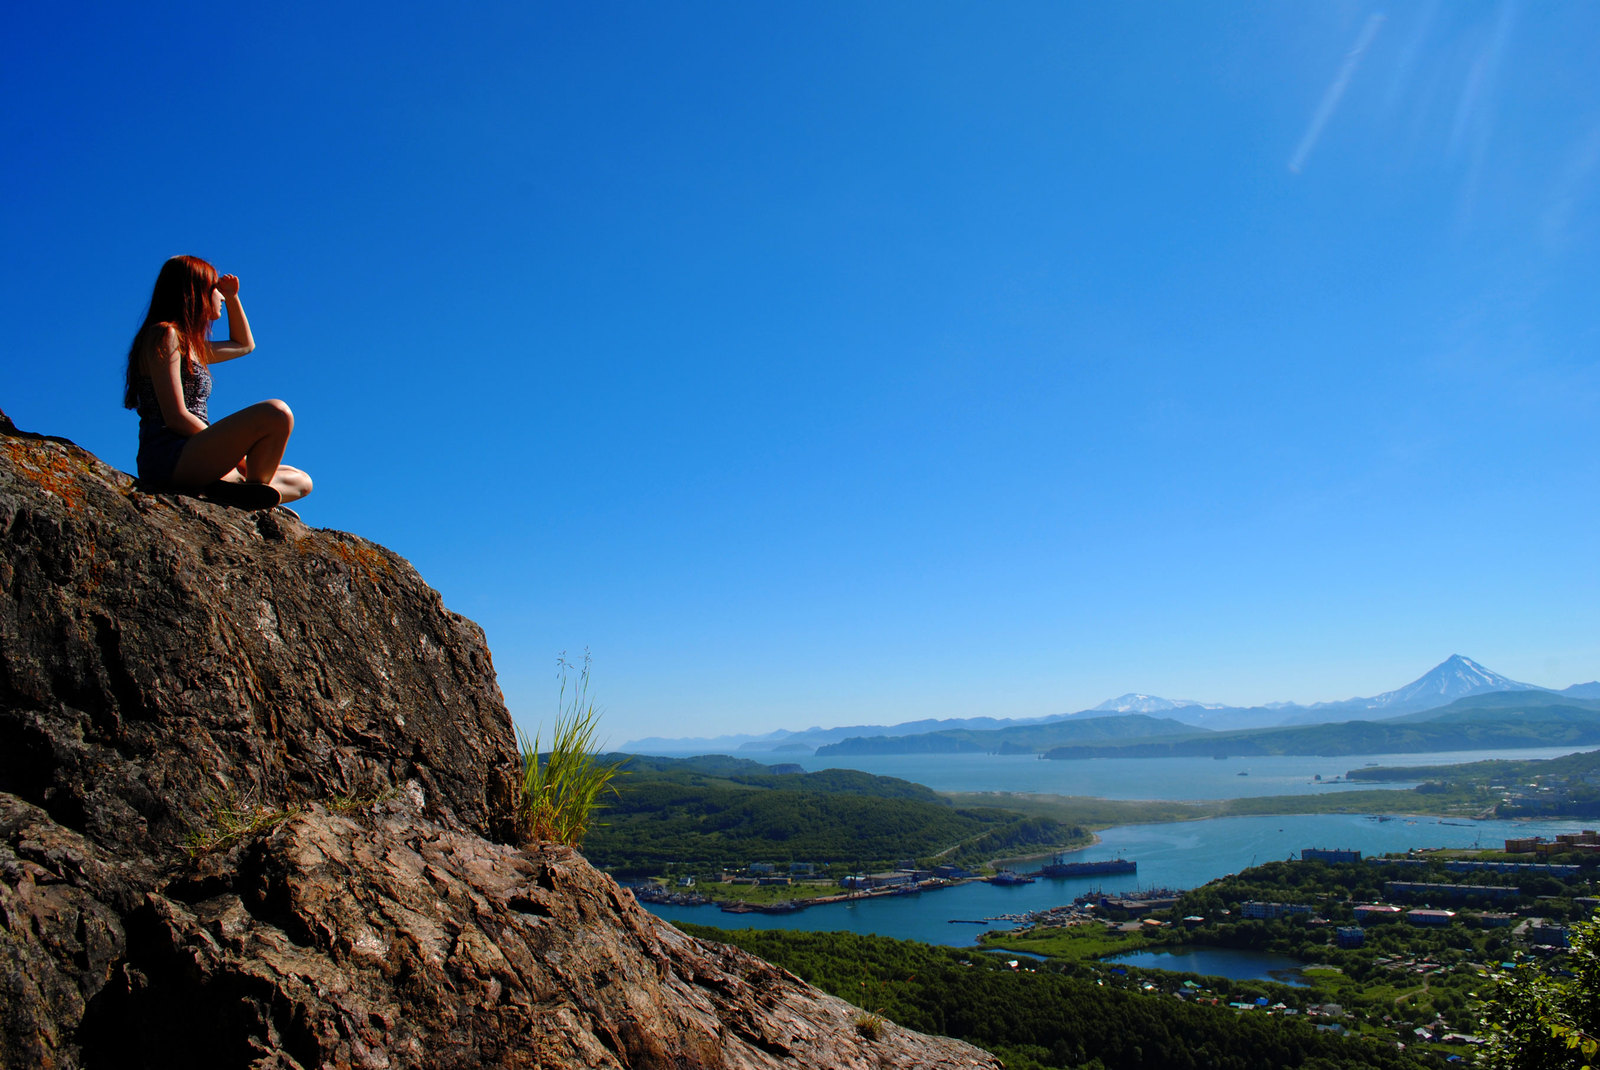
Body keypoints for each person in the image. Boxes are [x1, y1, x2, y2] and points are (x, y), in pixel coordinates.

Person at [123, 255, 311, 507]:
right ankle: (253, 494)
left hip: (200, 453)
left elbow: (244, 345)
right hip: (172, 455)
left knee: (301, 479)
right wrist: (237, 456)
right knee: (277, 412)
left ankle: (246, 493)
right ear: (196, 291)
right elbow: (176, 416)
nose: (221, 297)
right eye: (217, 290)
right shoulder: (164, 335)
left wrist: (233, 298)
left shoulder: (193, 347)